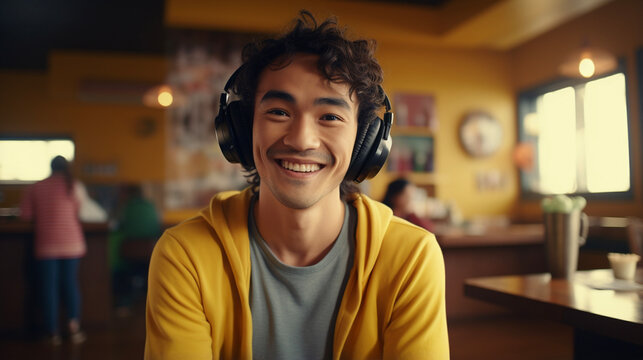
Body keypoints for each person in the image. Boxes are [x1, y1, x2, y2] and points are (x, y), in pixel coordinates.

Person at [145, 11, 448, 359]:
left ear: (364, 142)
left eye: (330, 117)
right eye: (278, 112)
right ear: (243, 131)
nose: (302, 140)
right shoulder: (186, 256)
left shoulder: (411, 257)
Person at [20, 155, 87, 345]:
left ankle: (52, 332)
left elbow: (25, 215)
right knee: (70, 285)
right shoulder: (74, 185)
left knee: (49, 287)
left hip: (47, 244)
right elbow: (81, 212)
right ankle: (74, 328)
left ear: (50, 167)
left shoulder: (36, 187)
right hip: (72, 243)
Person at [109, 184, 161, 311]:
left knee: (120, 267)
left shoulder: (127, 207)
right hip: (150, 252)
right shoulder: (151, 206)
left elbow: (119, 226)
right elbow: (156, 227)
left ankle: (124, 303)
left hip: (129, 253)